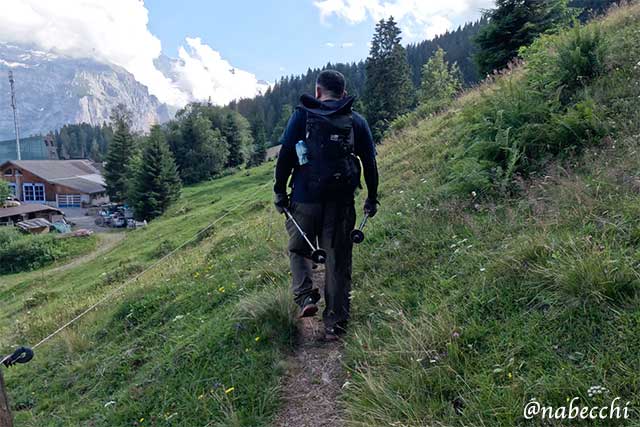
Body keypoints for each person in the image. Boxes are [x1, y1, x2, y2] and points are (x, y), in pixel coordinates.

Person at [273, 69, 379, 341]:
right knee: (338, 260)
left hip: (304, 198)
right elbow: (369, 163)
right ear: (343, 93)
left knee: (299, 249)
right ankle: (335, 324)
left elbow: (285, 156)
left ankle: (306, 296)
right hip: (341, 202)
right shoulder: (356, 121)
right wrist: (371, 196)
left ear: (318, 92)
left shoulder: (302, 116)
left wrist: (279, 192)